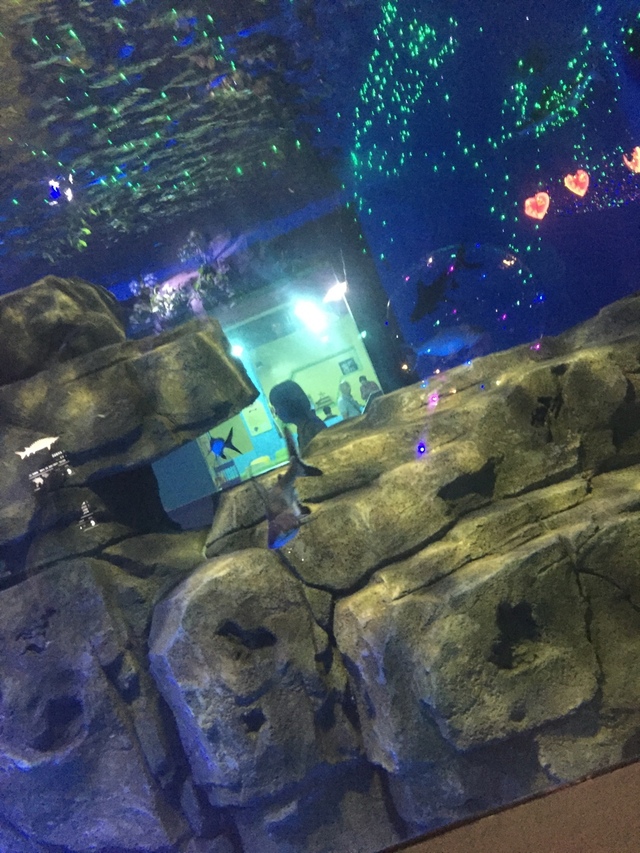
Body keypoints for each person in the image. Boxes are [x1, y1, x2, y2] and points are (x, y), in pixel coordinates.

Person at [269, 380, 327, 451]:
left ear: (288, 405)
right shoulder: (304, 427)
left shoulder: (311, 427)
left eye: (276, 407)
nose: (276, 413)